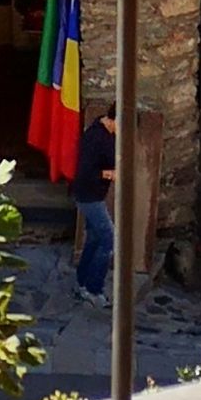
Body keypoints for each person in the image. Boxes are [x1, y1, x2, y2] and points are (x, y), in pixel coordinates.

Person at [73, 104, 118, 310]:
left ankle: (81, 282)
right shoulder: (94, 138)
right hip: (88, 195)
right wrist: (108, 174)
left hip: (95, 194)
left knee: (94, 238)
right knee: (109, 238)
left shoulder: (108, 133)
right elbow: (84, 172)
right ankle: (93, 288)